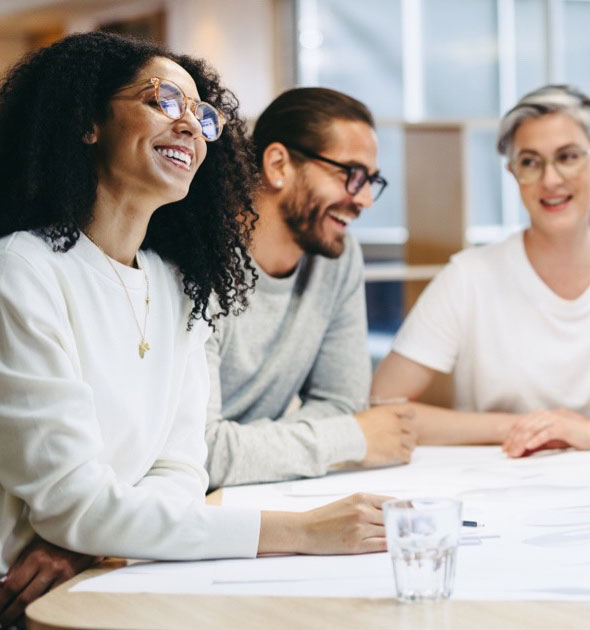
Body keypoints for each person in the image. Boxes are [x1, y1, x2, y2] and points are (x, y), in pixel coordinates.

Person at [0, 33, 386, 625]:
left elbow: (181, 470)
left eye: (201, 115)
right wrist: (303, 531)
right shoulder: (21, 270)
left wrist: (96, 534)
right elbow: (71, 502)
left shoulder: (181, 288)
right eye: (164, 101)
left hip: (102, 577)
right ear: (88, 123)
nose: (189, 126)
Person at [371, 85, 590, 457]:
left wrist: (589, 433)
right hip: (499, 479)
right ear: (513, 173)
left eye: (568, 157)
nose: (551, 180)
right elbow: (383, 406)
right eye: (530, 162)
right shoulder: (468, 277)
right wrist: (523, 427)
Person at [203, 87, 415, 489]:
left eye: (371, 180)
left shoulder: (338, 258)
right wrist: (353, 439)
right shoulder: (197, 261)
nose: (366, 200)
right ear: (279, 164)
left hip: (262, 493)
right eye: (351, 175)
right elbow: (200, 450)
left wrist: (257, 451)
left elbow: (340, 404)